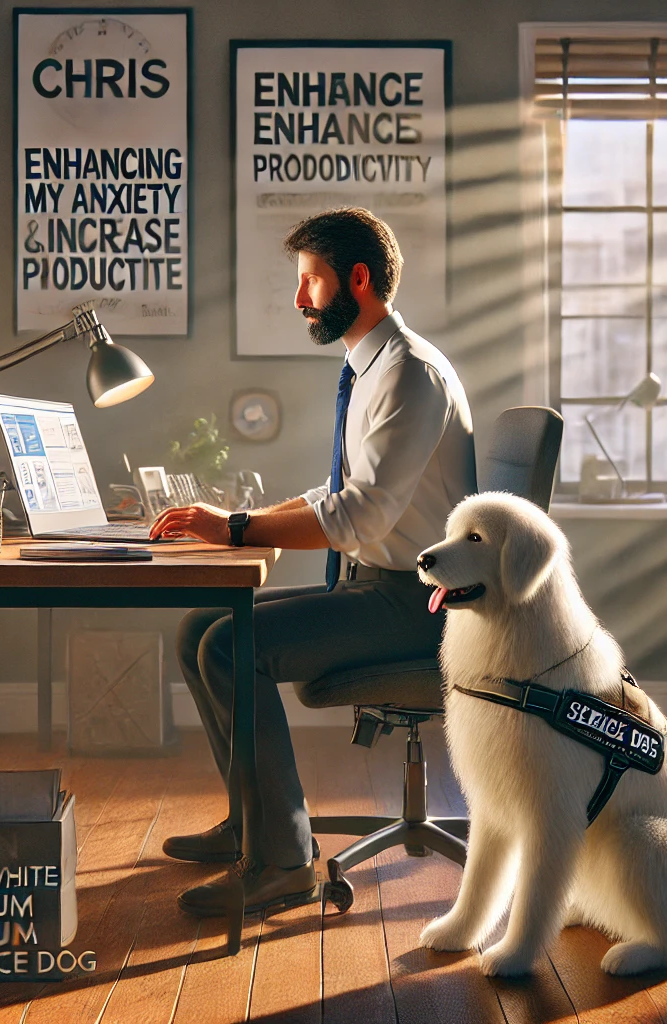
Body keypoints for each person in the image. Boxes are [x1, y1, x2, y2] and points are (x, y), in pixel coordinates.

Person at [151, 207, 476, 918]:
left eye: (311, 281)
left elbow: (360, 516)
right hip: (378, 587)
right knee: (200, 629)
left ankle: (284, 862)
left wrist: (236, 529)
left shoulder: (410, 375)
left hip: (418, 607)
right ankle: (251, 823)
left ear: (357, 279)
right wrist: (241, 519)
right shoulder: (373, 366)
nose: (300, 300)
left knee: (232, 646)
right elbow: (342, 492)